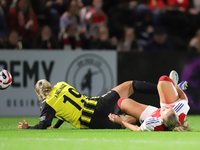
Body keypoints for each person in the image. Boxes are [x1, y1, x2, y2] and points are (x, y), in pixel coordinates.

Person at [18, 71, 161, 129]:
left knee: (126, 121)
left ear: (38, 93)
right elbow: (65, 109)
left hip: (90, 121)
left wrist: (28, 127)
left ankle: (155, 120)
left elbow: (43, 125)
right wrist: (56, 127)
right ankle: (163, 90)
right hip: (98, 103)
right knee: (130, 85)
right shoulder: (61, 85)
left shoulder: (47, 105)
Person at [108, 70, 190, 131]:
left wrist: (122, 121)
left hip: (151, 115)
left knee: (121, 102)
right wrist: (176, 87)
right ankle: (172, 89)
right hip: (173, 103)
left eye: (165, 110)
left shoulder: (153, 123)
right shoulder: (179, 110)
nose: (166, 108)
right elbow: (184, 99)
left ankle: (171, 90)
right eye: (169, 109)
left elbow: (137, 129)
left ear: (161, 120)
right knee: (163, 79)